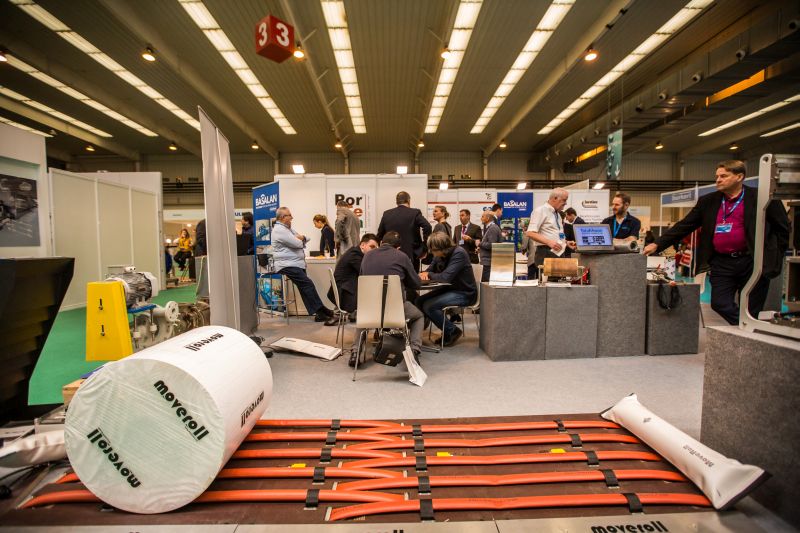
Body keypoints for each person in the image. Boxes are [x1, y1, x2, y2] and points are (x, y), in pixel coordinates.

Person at [643, 160, 790, 325]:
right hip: (721, 262)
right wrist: (657, 244)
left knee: (751, 308)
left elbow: (783, 228)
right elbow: (684, 225)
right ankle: (746, 326)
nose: (718, 180)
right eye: (717, 176)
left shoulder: (762, 198)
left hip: (753, 261)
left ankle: (747, 330)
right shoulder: (708, 201)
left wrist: (774, 254)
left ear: (739, 176)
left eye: (724, 176)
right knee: (720, 303)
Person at [352, 231, 424, 366]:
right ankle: (414, 350)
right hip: (395, 311)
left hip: (371, 310)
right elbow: (416, 284)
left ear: (381, 243)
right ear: (398, 247)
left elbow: (362, 278)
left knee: (363, 318)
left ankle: (355, 352)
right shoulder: (402, 256)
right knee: (418, 317)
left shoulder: (367, 256)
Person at [271, 207, 334, 322]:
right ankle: (321, 311)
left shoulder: (287, 229)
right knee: (307, 284)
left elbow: (306, 238)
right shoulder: (280, 230)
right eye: (290, 215)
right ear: (283, 217)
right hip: (286, 264)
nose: (292, 217)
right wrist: (301, 239)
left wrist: (302, 238)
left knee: (305, 287)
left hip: (295, 263)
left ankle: (320, 312)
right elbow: (298, 244)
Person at [418, 232, 478, 347]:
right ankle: (433, 323)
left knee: (429, 306)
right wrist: (425, 273)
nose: (432, 252)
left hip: (465, 293)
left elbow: (445, 277)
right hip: (449, 289)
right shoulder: (439, 254)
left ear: (443, 248)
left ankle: (452, 331)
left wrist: (429, 274)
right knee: (419, 301)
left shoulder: (459, 253)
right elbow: (429, 270)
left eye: (434, 250)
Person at [327, 233, 379, 319]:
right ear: (362, 245)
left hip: (346, 290)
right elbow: (367, 273)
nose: (375, 250)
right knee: (376, 294)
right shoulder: (354, 255)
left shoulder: (355, 252)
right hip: (344, 294)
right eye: (372, 247)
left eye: (376, 248)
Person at [377, 191, 432, 269]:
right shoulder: (415, 213)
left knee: (393, 275)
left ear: (397, 201)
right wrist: (424, 247)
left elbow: (380, 234)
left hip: (390, 254)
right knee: (411, 275)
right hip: (411, 254)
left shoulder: (387, 214)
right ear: (409, 200)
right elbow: (427, 227)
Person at [526, 188, 571, 267]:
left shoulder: (557, 214)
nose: (566, 203)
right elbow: (530, 233)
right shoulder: (540, 211)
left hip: (558, 251)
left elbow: (554, 233)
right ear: (555, 198)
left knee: (559, 275)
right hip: (546, 252)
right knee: (547, 275)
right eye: (564, 200)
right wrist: (548, 242)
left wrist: (566, 242)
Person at [478, 211, 502, 282]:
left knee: (486, 285)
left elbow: (492, 245)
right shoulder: (490, 228)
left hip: (489, 263)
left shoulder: (492, 228)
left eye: (482, 216)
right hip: (488, 262)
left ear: (488, 218)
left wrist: (480, 244)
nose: (481, 218)